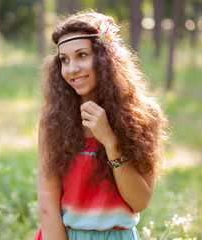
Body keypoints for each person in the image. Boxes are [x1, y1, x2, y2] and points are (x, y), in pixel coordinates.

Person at [35, 10, 168, 240]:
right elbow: (47, 208)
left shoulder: (144, 115)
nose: (72, 68)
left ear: (106, 57)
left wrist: (110, 141)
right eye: (64, 59)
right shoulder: (54, 120)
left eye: (82, 55)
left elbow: (140, 201)